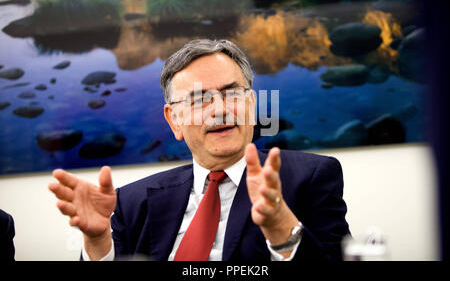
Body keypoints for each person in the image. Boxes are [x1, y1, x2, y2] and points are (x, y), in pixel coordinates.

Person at [48, 39, 350, 261]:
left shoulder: (310, 178)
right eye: (199, 99)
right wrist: (99, 243)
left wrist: (282, 227)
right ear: (173, 120)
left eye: (231, 93)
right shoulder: (132, 202)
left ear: (251, 103)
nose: (219, 110)